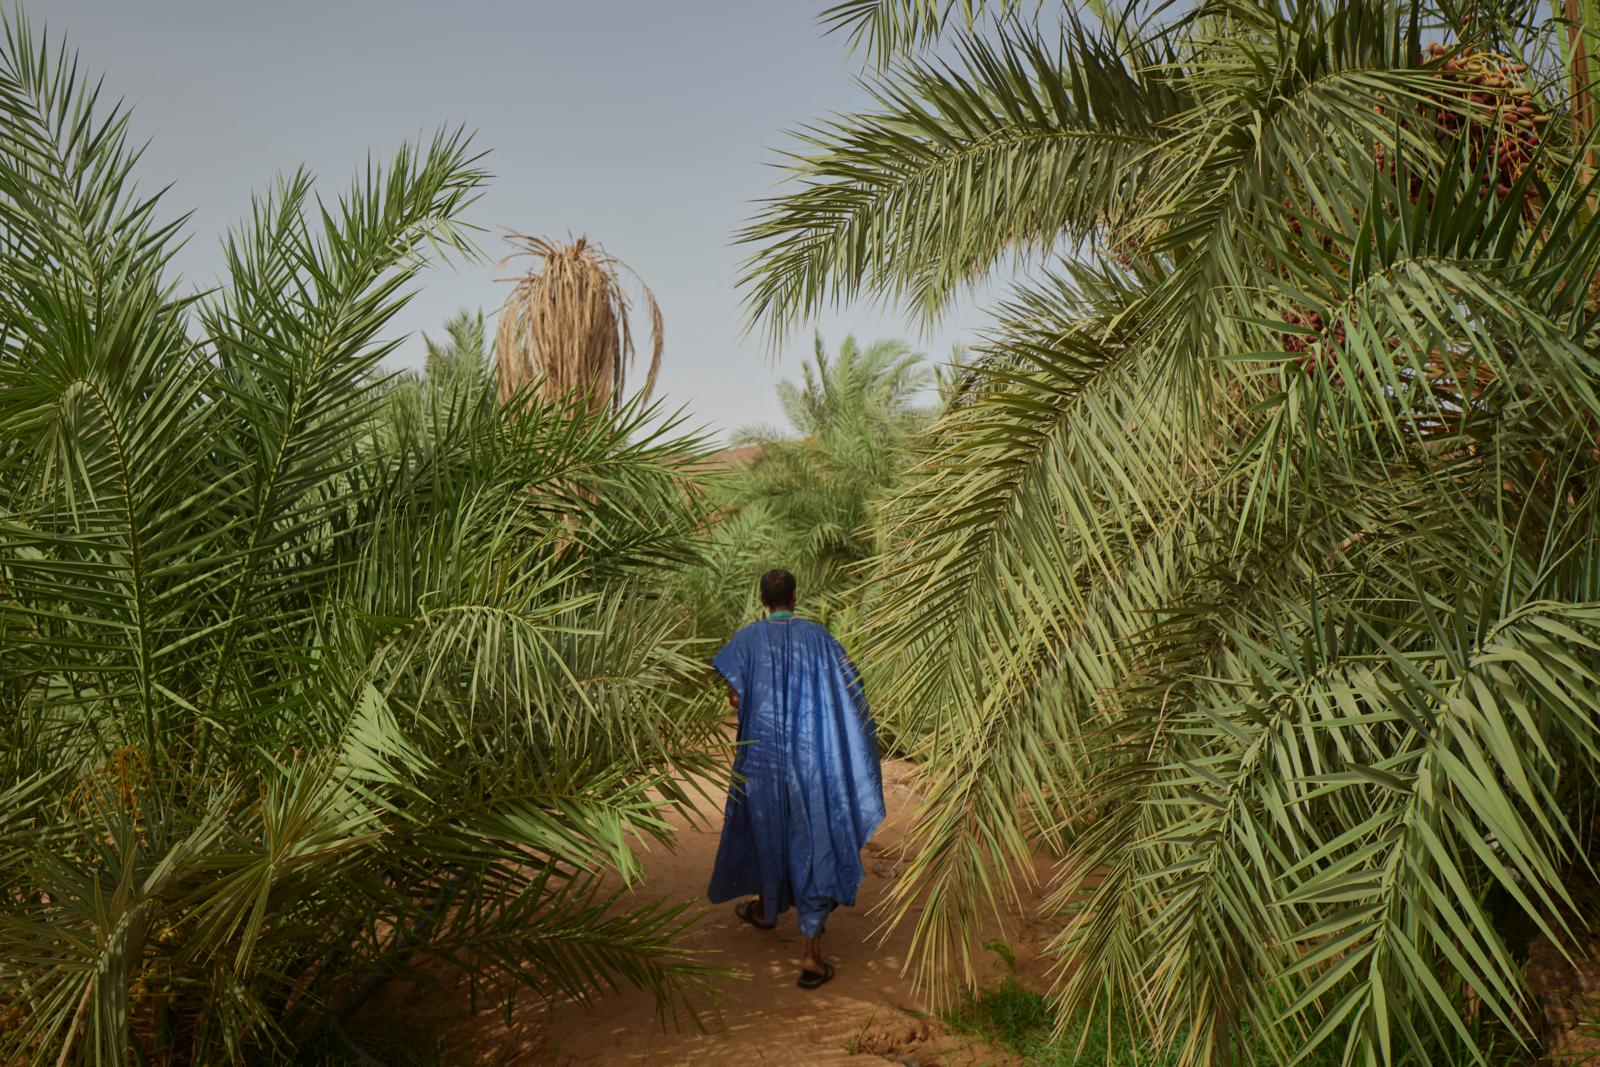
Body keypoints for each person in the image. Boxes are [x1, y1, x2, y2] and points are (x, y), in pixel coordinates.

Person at [706, 568, 886, 989]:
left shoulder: (748, 640)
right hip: (811, 759)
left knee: (766, 831)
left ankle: (768, 910)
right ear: (795, 598)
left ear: (762, 601)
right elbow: (851, 692)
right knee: (814, 839)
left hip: (763, 760)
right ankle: (810, 953)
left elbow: (735, 694)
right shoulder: (820, 639)